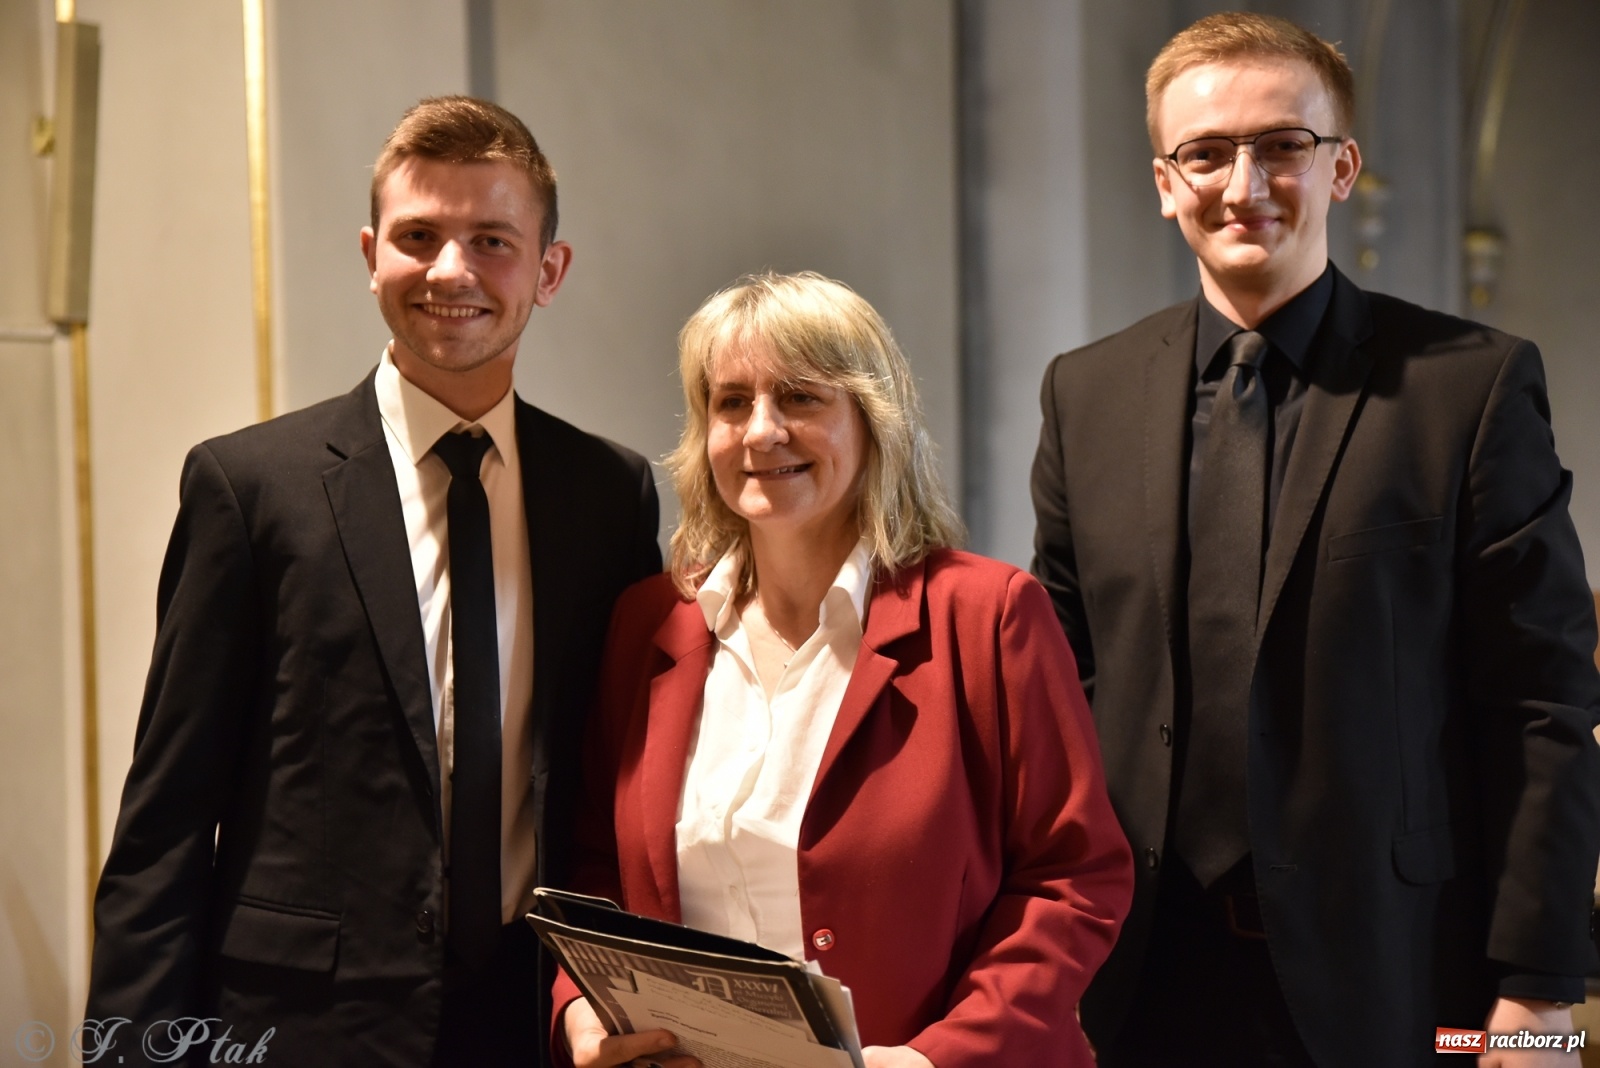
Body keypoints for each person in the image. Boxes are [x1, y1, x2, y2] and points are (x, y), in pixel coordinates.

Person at [1029, 12, 1600, 1067]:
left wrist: (1541, 993)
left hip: (1399, 972)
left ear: (1341, 168)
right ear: (1164, 182)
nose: (1241, 184)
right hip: (1139, 970)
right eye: (1204, 152)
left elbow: (1542, 704)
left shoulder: (1467, 388)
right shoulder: (1085, 393)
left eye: (1280, 146)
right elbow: (1057, 693)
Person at [87, 97, 661, 1066]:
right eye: (419, 236)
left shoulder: (609, 493)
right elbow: (167, 820)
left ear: (548, 270)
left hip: (543, 1021)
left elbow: (625, 780)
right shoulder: (250, 487)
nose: (451, 270)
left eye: (491, 239)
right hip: (306, 1022)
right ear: (369, 255)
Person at [554, 271, 1134, 1068]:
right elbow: (594, 870)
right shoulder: (649, 624)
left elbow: (1072, 881)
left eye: (800, 398)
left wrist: (937, 1060)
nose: (762, 431)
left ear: (873, 421)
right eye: (731, 402)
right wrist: (579, 1008)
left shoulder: (990, 615)